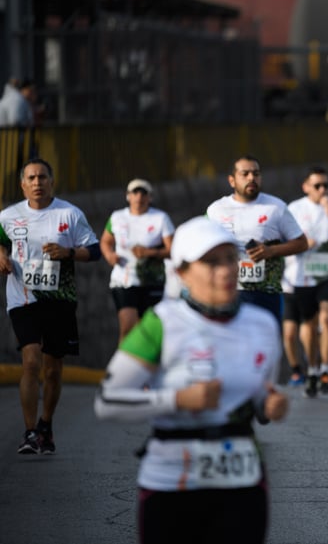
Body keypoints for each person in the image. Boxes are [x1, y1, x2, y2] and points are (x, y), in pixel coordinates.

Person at [94, 217, 288, 544]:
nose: (226, 270)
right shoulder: (161, 323)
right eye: (211, 262)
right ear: (183, 272)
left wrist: (270, 405)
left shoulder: (263, 325)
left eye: (229, 258)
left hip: (242, 480)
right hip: (171, 482)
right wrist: (177, 400)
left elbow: (258, 403)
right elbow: (108, 402)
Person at [0, 158, 101, 454]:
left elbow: (94, 250)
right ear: (22, 184)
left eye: (42, 177)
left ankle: (46, 424)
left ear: (51, 181)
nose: (37, 183)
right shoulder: (8, 216)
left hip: (59, 300)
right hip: (24, 298)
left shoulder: (69, 214)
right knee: (31, 361)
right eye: (30, 178)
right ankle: (30, 432)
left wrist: (68, 252)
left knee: (53, 369)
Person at [206, 155, 308, 329]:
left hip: (266, 292)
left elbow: (302, 243)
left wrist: (271, 251)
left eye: (256, 174)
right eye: (245, 174)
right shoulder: (215, 210)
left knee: (266, 348)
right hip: (228, 290)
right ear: (232, 180)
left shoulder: (276, 207)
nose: (251, 178)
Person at [284, 166, 328, 397]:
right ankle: (311, 367)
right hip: (302, 274)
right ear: (306, 187)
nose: (323, 190)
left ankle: (325, 368)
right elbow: (285, 238)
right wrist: (304, 242)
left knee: (326, 316)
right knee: (309, 325)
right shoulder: (294, 208)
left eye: (326, 185)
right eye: (317, 186)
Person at [100, 179, 175, 342]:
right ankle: (122, 367)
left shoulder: (160, 218)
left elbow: (172, 249)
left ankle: (141, 365)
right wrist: (109, 255)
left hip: (151, 280)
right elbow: (106, 241)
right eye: (135, 192)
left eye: (143, 193)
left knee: (147, 331)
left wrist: (150, 252)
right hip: (124, 280)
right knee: (128, 326)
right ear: (128, 196)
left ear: (150, 197)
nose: (139, 196)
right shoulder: (117, 217)